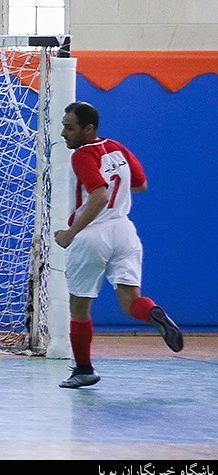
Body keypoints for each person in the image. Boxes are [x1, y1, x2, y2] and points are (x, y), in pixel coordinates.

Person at [54, 101, 183, 388]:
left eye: (69, 127)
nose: (64, 133)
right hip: (124, 231)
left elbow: (98, 196)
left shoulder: (82, 156)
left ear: (88, 129)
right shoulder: (117, 148)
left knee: (79, 306)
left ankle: (84, 370)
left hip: (92, 235)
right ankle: (152, 312)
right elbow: (140, 183)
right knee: (131, 301)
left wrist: (70, 233)